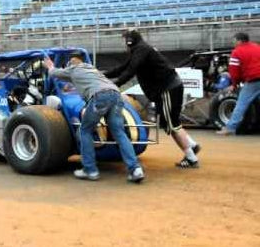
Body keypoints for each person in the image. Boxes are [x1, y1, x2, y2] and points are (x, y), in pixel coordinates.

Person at [105, 29, 201, 168]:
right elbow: (123, 68)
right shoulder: (140, 50)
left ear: (130, 41)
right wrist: (103, 76)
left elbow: (130, 71)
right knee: (169, 122)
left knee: (171, 125)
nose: (124, 44)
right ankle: (192, 145)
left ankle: (191, 158)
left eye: (125, 40)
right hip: (168, 88)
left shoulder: (141, 50)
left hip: (167, 89)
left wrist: (115, 84)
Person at [43, 52, 145, 182]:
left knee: (85, 130)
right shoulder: (93, 69)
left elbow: (53, 73)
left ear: (71, 63)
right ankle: (135, 169)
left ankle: (90, 170)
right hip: (116, 95)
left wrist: (50, 66)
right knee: (119, 133)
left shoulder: (73, 69)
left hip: (99, 97)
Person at [217, 33, 260, 135]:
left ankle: (229, 128)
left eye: (234, 41)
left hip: (253, 80)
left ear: (239, 41)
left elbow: (234, 71)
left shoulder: (237, 52)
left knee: (241, 104)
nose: (234, 43)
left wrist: (234, 84)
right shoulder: (257, 47)